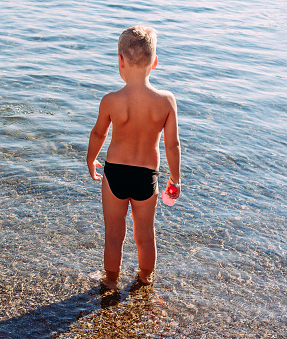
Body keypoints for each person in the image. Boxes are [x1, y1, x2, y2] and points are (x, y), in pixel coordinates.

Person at [86, 25, 181, 288]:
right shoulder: (166, 101)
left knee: (114, 236)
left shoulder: (111, 100)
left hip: (115, 172)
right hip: (146, 177)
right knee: (145, 237)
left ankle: (111, 280)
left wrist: (90, 160)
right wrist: (175, 178)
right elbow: (172, 145)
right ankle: (145, 279)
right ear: (155, 62)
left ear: (121, 61)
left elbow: (98, 134)